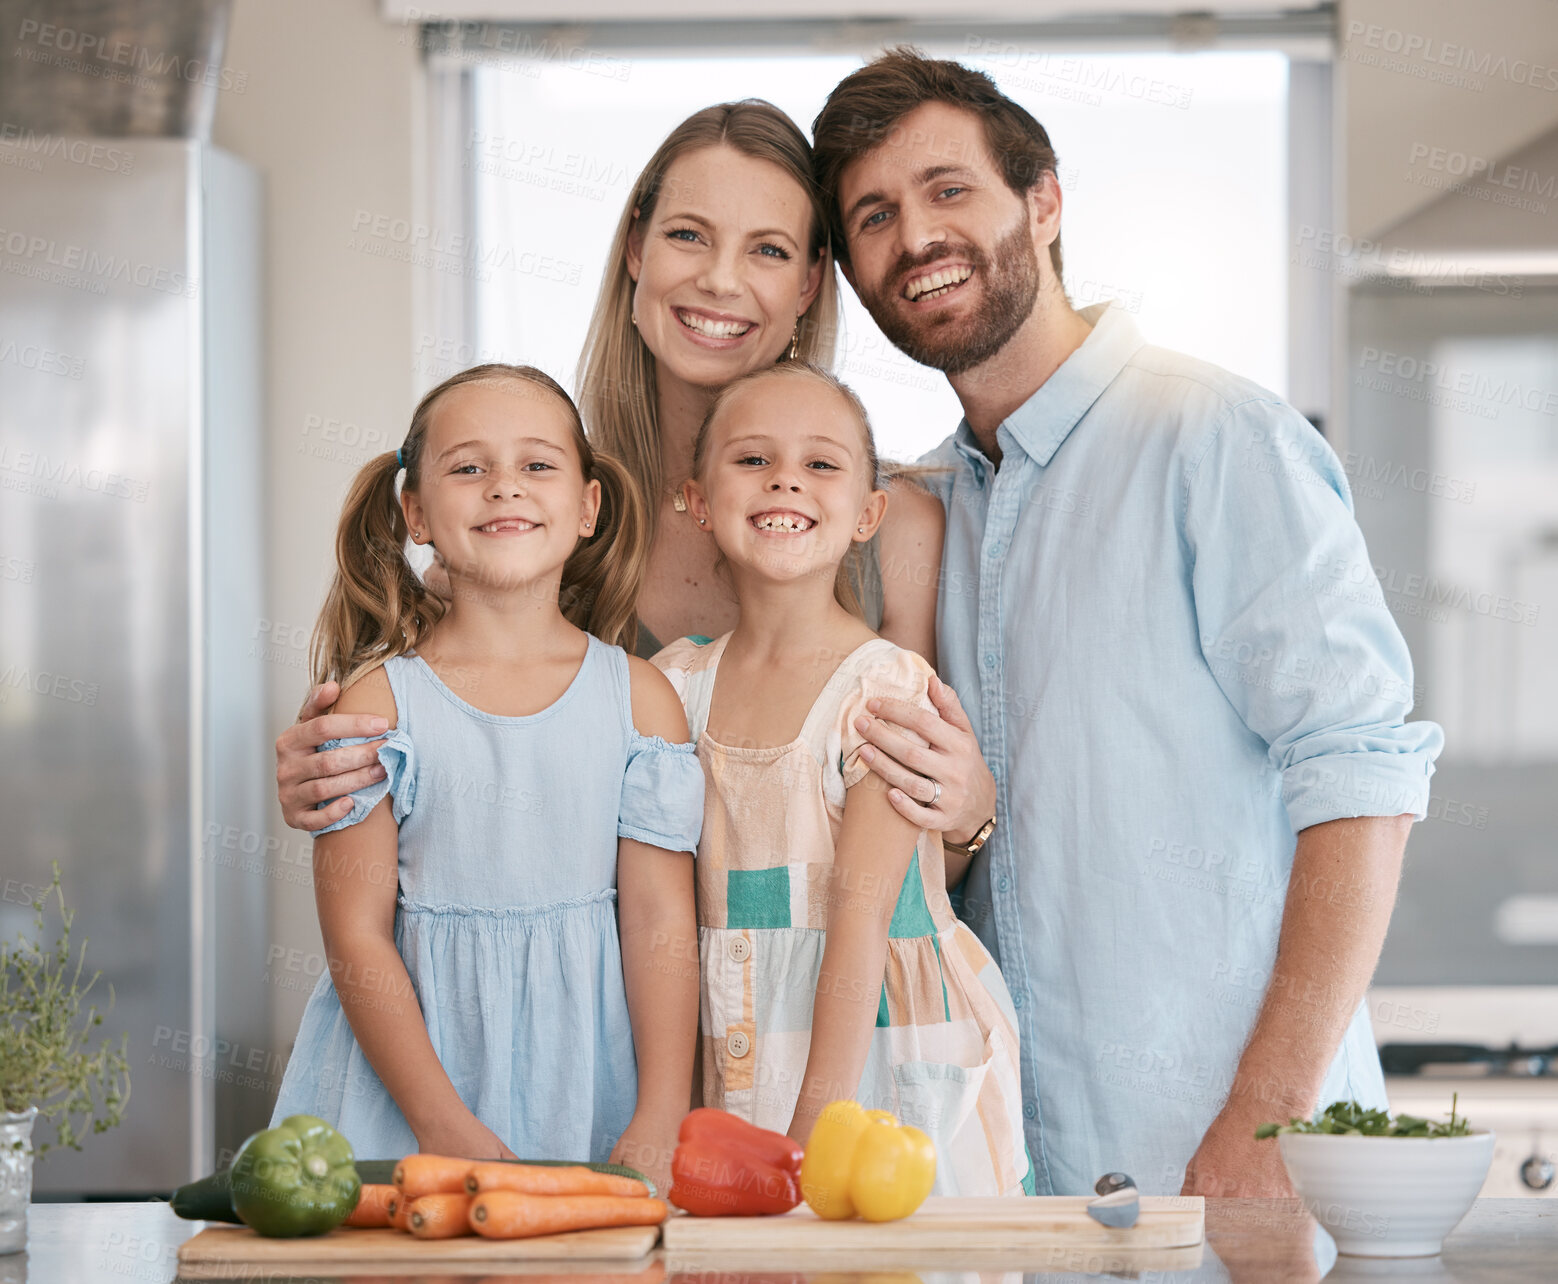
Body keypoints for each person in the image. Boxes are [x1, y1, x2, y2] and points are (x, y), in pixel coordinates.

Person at [810, 50, 1444, 1198]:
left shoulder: (1212, 441)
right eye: (874, 216)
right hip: (1015, 1198)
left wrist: (1266, 1122)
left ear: (1042, 201)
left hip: (1230, 1180)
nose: (915, 237)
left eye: (949, 190)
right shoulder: (918, 516)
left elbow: (1360, 780)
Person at [277, 102, 1001, 929]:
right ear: (635, 251)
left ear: (807, 284)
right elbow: (442, 805)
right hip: (606, 1031)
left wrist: (969, 816)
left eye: (767, 250)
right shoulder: (539, 517)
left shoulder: (896, 527)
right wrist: (335, 773)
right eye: (688, 235)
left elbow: (915, 861)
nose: (720, 280)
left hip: (809, 1028)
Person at [268, 364, 702, 1189]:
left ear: (587, 507)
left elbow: (658, 923)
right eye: (469, 467)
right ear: (416, 514)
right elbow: (357, 936)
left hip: (588, 1087)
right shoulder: (377, 706)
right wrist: (443, 1125)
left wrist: (660, 1109)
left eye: (537, 465)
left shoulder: (642, 702)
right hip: (409, 1102)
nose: (505, 487)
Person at [652, 360, 1031, 1196]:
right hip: (742, 1034)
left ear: (868, 516)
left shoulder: (885, 689)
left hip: (876, 1059)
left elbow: (859, 920)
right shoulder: (672, 689)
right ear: (698, 500)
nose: (786, 476)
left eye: (820, 463)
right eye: (752, 459)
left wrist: (812, 1130)